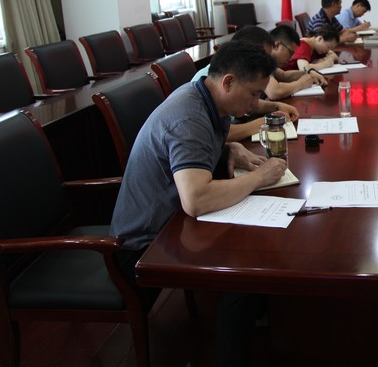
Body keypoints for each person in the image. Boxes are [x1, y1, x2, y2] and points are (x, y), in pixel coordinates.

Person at [110, 41, 288, 365]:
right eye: (253, 94)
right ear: (228, 82)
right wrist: (259, 178)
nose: (255, 104)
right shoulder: (188, 118)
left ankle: (259, 317)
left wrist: (229, 148)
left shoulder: (207, 97)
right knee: (245, 271)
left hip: (172, 219)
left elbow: (197, 154)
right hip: (145, 243)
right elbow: (195, 200)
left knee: (260, 245)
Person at [191, 26, 304, 141]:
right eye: (263, 57)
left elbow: (247, 103)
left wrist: (276, 106)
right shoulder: (210, 81)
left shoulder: (239, 74)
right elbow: (219, 133)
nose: (266, 63)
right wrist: (263, 122)